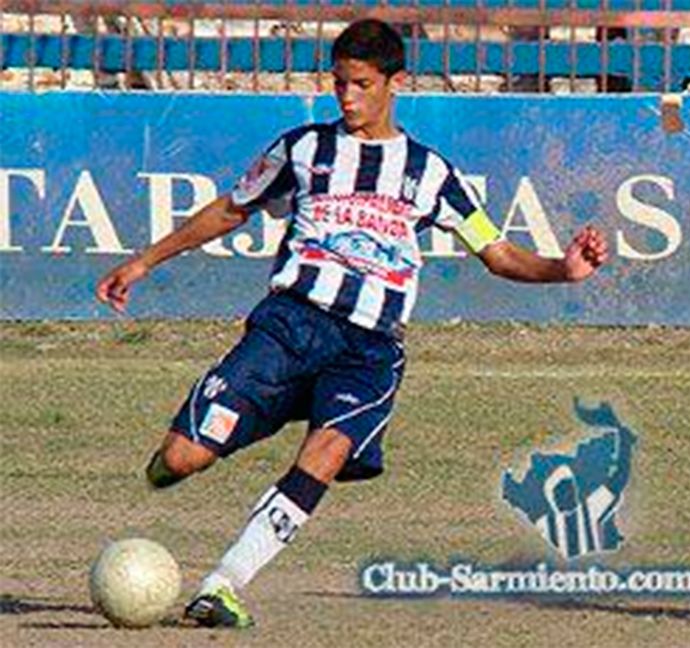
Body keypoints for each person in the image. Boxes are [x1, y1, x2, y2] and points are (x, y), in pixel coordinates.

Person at [96, 19, 609, 629]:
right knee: (182, 458)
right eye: (339, 83)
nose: (346, 97)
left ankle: (223, 585)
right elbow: (232, 210)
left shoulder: (430, 174)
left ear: (396, 83)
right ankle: (227, 432)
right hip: (289, 329)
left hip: (367, 350)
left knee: (329, 451)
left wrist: (563, 270)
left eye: (361, 84)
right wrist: (144, 261)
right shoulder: (304, 149)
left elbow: (496, 253)